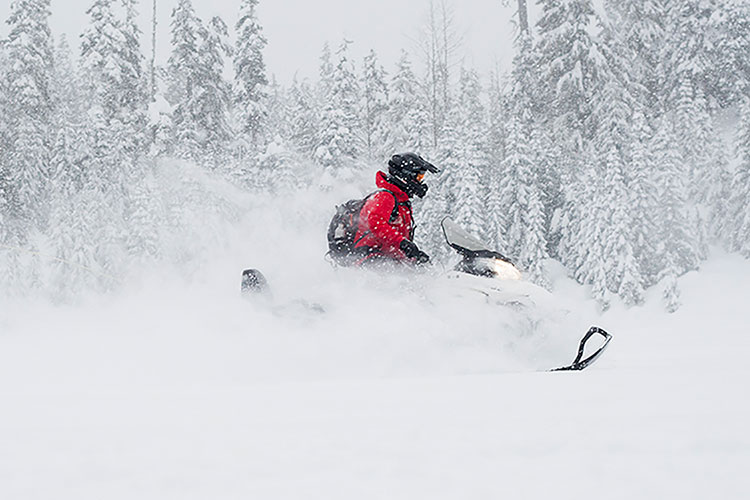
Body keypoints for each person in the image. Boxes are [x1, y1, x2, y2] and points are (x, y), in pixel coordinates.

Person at [352, 153, 439, 267]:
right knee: (400, 279)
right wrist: (403, 244)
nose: (420, 182)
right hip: (369, 257)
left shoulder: (401, 202)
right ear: (406, 176)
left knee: (420, 273)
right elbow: (376, 224)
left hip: (385, 258)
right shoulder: (385, 197)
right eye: (419, 177)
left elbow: (392, 241)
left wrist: (414, 256)